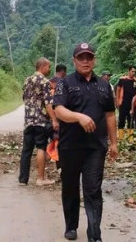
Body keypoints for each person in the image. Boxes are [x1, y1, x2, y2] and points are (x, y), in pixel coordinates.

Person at [53, 43, 118, 242]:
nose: (85, 61)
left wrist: (114, 143)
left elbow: (109, 115)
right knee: (70, 187)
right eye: (81, 57)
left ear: (94, 60)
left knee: (93, 189)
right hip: (70, 146)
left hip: (95, 147)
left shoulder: (104, 86)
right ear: (74, 60)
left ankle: (94, 234)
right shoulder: (65, 83)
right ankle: (71, 226)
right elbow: (58, 110)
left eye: (89, 57)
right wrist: (79, 117)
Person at [19, 57, 59, 186]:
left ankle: (23, 179)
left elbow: (24, 99)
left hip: (28, 120)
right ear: (42, 67)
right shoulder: (45, 82)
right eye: (48, 67)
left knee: (26, 150)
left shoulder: (27, 80)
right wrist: (54, 119)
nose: (49, 69)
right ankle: (40, 178)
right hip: (40, 120)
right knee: (41, 147)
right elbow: (48, 104)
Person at [115, 65, 136, 141]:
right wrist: (117, 101)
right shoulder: (122, 79)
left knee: (131, 120)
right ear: (128, 71)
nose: (133, 73)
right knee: (121, 120)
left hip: (132, 104)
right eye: (132, 71)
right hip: (123, 102)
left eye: (135, 72)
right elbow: (118, 90)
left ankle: (130, 138)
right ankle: (120, 137)